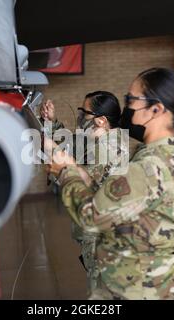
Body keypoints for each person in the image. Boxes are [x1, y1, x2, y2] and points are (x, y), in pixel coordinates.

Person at [45, 68, 174, 300]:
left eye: (131, 99)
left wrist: (66, 173)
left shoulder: (148, 168)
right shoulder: (154, 158)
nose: (126, 108)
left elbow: (92, 216)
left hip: (139, 289)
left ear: (155, 110)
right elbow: (114, 198)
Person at [40, 91, 130, 296]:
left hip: (103, 237)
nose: (80, 117)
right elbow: (74, 145)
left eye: (84, 113)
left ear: (101, 120)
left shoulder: (108, 149)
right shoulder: (100, 141)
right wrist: (52, 123)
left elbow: (81, 185)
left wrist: (59, 163)